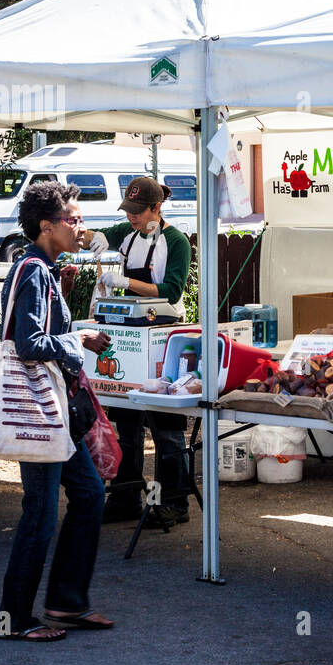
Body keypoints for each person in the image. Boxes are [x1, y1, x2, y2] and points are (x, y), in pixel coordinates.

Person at [0, 181, 113, 642]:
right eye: (73, 219)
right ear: (47, 227)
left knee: (88, 496)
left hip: (55, 412)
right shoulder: (34, 271)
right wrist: (80, 340)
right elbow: (28, 345)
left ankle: (65, 602)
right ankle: (14, 619)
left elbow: (42, 334)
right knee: (40, 514)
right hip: (39, 412)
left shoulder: (45, 269)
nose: (80, 226)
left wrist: (73, 327)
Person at [83, 176, 194, 526]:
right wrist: (91, 238)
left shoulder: (175, 241)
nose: (131, 218)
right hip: (130, 339)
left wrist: (125, 283)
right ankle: (126, 497)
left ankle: (173, 503)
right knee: (126, 423)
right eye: (127, 211)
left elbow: (172, 291)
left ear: (156, 208)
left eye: (137, 211)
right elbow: (87, 236)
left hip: (163, 339)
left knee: (166, 428)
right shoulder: (127, 233)